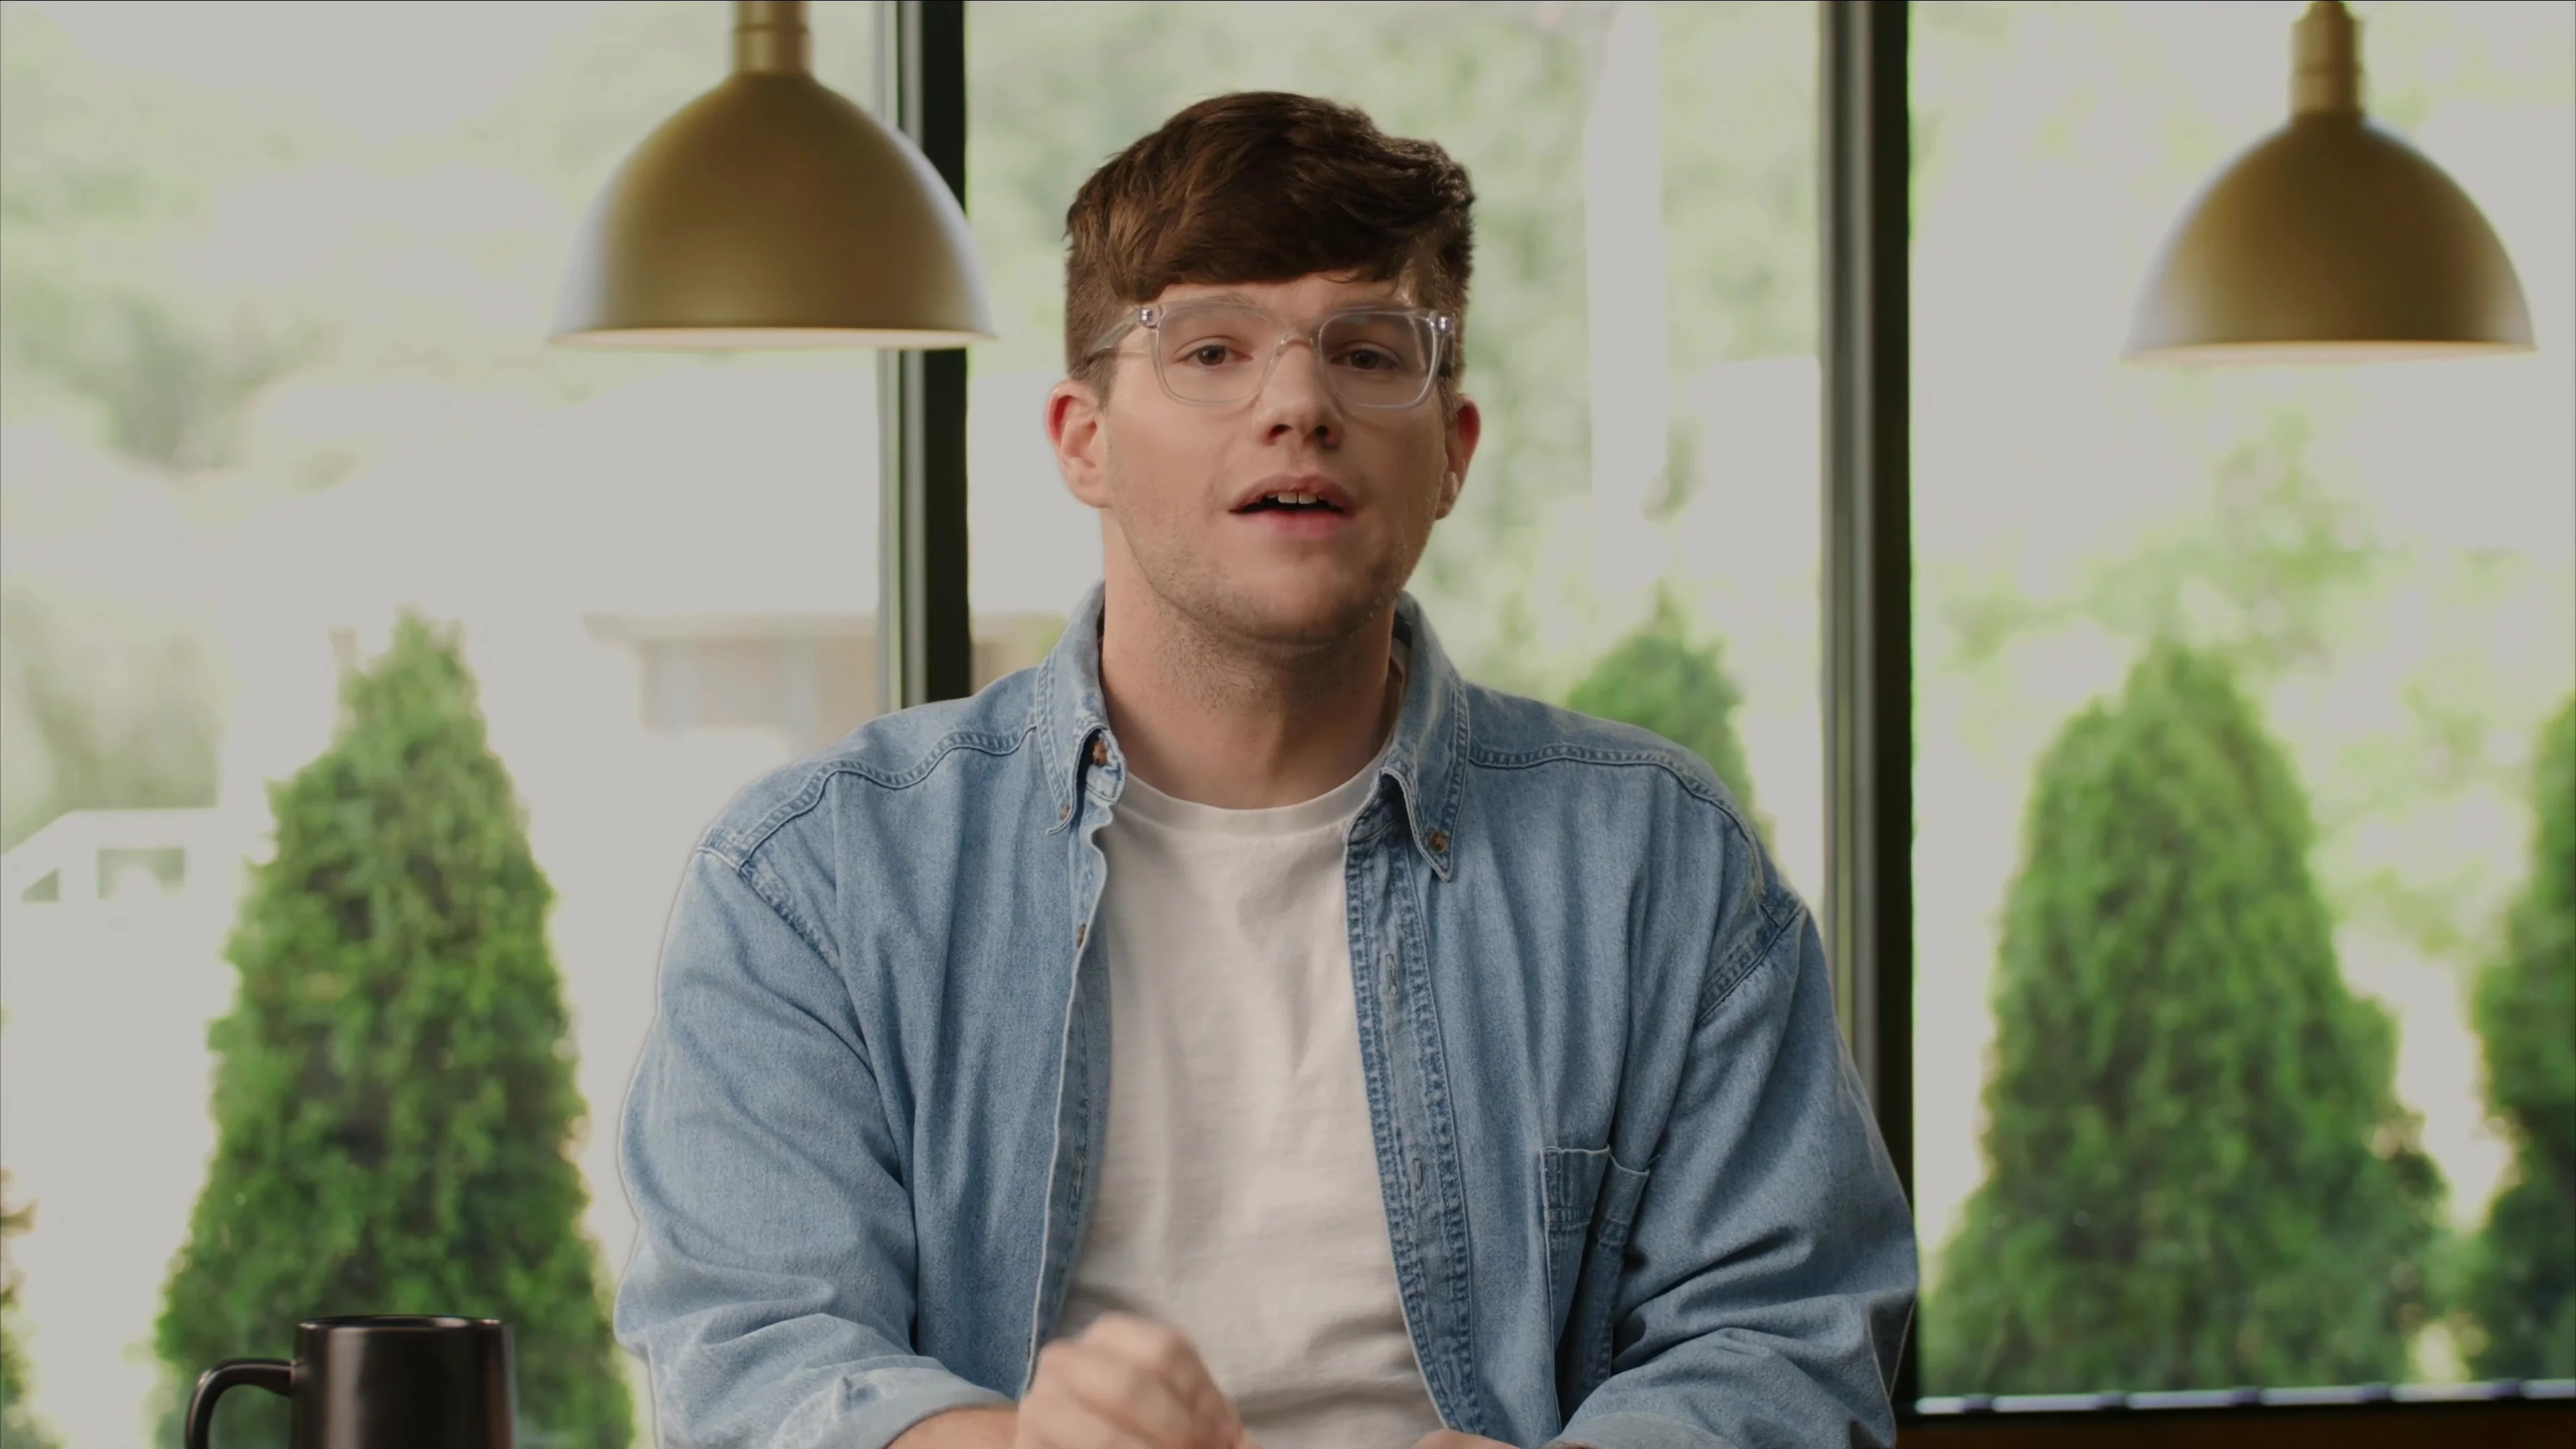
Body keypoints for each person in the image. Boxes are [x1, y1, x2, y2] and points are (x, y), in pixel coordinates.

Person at [615, 91, 1917, 1449]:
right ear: (1082, 440)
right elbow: (749, 1354)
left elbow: (1787, 1341)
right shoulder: (815, 879)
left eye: (1369, 352)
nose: (1298, 404)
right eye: (1211, 350)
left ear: (1454, 453)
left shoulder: (1659, 863)